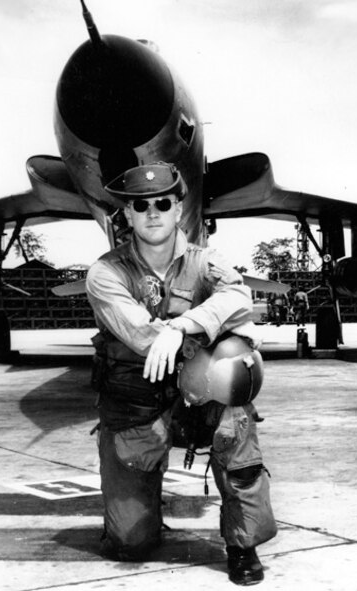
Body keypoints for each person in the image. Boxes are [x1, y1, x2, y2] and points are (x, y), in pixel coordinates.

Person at [86, 162, 277, 585]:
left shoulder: (206, 262)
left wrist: (180, 327)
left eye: (163, 203)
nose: (152, 212)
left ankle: (242, 545)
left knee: (235, 405)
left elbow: (238, 296)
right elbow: (137, 331)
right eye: (141, 205)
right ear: (129, 215)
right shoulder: (105, 272)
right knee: (129, 545)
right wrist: (180, 333)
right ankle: (139, 521)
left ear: (178, 210)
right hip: (134, 398)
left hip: (200, 394)